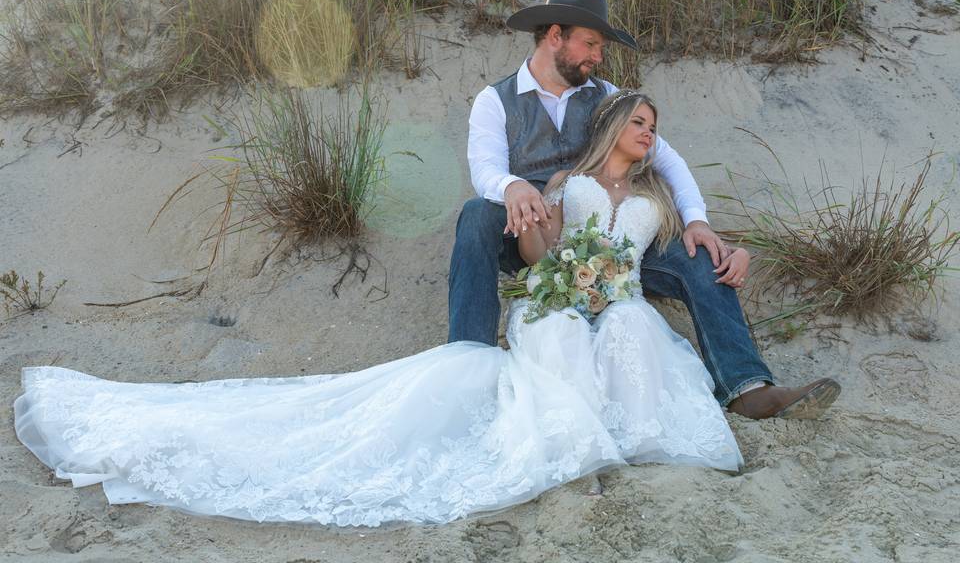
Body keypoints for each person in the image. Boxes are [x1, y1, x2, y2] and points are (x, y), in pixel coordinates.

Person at [15, 91, 746, 528]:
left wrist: (722, 244)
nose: (650, 131)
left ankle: (633, 430)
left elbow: (683, 250)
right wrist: (551, 248)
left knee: (625, 322)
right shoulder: (562, 179)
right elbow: (533, 258)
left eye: (655, 124)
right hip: (562, 286)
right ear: (613, 123)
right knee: (551, 323)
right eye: (640, 120)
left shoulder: (658, 201)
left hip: (617, 299)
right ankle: (563, 441)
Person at [448, 0, 840, 420]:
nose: (598, 56)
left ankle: (748, 387)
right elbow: (484, 168)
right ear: (555, 35)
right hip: (529, 237)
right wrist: (511, 187)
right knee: (476, 215)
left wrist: (697, 220)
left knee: (698, 254)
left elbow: (669, 161)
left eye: (600, 47)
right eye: (591, 43)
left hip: (612, 246)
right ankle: (468, 367)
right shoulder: (495, 100)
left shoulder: (606, 97)